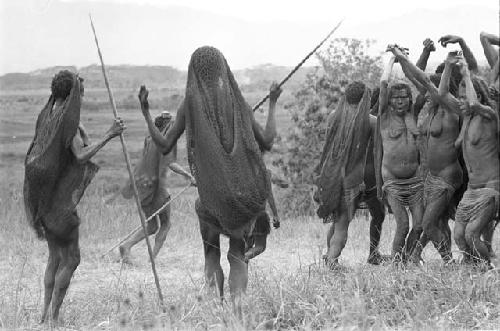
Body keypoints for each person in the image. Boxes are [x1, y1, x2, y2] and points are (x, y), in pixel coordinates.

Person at [137, 46, 281, 313]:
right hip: (242, 199)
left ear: (195, 72)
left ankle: (216, 313)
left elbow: (165, 144)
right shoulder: (238, 103)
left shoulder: (189, 104)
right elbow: (268, 140)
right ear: (222, 69)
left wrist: (146, 113)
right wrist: (272, 101)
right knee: (238, 256)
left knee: (211, 253)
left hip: (211, 201)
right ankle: (237, 316)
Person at [23, 70, 125, 322]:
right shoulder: (67, 122)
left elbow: (71, 149)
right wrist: (110, 135)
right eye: (80, 89)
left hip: (43, 205)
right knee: (71, 259)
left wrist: (85, 135)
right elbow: (80, 155)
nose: (83, 92)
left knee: (54, 257)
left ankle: (44, 316)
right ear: (72, 94)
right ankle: (54, 319)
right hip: (60, 207)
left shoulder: (46, 114)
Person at [390, 46, 464, 263]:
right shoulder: (430, 111)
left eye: (432, 89)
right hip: (430, 176)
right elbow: (418, 79)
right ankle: (421, 257)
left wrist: (448, 66)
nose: (427, 91)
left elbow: (432, 86)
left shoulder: (453, 109)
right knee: (435, 222)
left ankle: (449, 261)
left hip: (448, 176)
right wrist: (402, 59)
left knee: (428, 224)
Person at [315, 81, 386, 267]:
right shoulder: (371, 121)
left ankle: (330, 255)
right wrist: (379, 184)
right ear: (366, 99)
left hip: (329, 178)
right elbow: (377, 155)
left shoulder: (333, 117)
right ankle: (331, 261)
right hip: (352, 181)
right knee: (342, 226)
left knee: (336, 221)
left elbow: (327, 148)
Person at [119, 111, 196, 264]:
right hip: (156, 189)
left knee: (152, 225)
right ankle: (151, 260)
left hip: (142, 186)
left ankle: (126, 246)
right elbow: (170, 163)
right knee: (166, 224)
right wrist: (189, 176)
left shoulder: (149, 139)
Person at [376, 53, 423, 263]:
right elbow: (384, 83)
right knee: (402, 224)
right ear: (390, 100)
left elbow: (420, 82)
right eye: (396, 97)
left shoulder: (413, 113)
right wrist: (393, 60)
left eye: (405, 96)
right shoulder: (384, 117)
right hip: (393, 182)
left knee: (420, 225)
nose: (401, 100)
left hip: (415, 181)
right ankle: (396, 262)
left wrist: (405, 60)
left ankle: (407, 256)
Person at [453, 59, 499, 266]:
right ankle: (474, 266)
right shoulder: (468, 119)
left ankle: (487, 266)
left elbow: (473, 103)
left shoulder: (489, 115)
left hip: (490, 187)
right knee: (459, 236)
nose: (460, 101)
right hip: (472, 189)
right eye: (459, 97)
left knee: (472, 234)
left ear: (478, 96)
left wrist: (466, 74)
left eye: (464, 97)